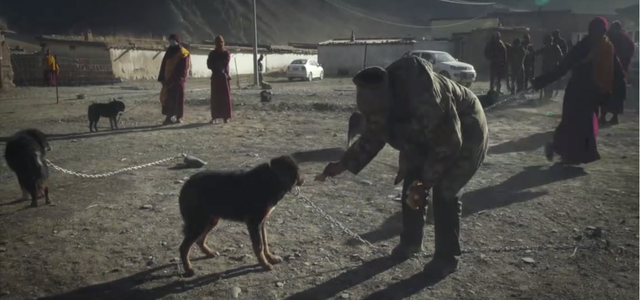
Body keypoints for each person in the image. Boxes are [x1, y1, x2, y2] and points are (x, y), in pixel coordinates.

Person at [318, 56, 488, 279]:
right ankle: (410, 243)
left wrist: (426, 181)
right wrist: (343, 164)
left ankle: (446, 259)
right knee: (411, 184)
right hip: (424, 136)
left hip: (465, 130)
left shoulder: (425, 97)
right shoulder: (381, 100)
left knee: (445, 190)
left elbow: (448, 144)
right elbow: (373, 136)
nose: (376, 118)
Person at [532, 17, 626, 165]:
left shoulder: (606, 47)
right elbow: (564, 66)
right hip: (576, 91)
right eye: (596, 30)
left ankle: (574, 155)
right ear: (591, 30)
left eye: (601, 31)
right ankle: (558, 148)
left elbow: (617, 72)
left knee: (585, 126)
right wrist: (541, 81)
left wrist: (617, 92)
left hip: (593, 93)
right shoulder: (583, 46)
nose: (598, 34)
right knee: (570, 124)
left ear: (604, 31)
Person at [602, 20, 635, 125]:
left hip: (609, 69)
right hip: (622, 71)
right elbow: (631, 52)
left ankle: (603, 115)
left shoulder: (610, 36)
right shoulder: (627, 39)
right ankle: (614, 117)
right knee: (618, 94)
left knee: (605, 92)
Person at [158, 34, 190, 125]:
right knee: (168, 99)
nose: (172, 42)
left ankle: (179, 117)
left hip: (178, 81)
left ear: (177, 41)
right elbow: (164, 65)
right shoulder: (169, 51)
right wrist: (162, 78)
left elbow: (184, 68)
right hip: (168, 80)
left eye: (173, 41)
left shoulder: (183, 53)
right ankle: (169, 117)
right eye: (170, 41)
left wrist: (178, 78)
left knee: (178, 99)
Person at [207, 35, 232, 124]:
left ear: (223, 43)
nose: (219, 44)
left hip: (224, 77)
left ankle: (226, 116)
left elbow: (225, 63)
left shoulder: (226, 53)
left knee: (225, 98)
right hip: (215, 77)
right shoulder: (212, 54)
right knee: (215, 98)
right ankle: (215, 116)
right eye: (218, 42)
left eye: (221, 42)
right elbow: (209, 64)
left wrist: (218, 66)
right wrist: (216, 66)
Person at [534, 35, 563, 102]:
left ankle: (548, 96)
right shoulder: (548, 48)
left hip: (551, 68)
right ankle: (547, 96)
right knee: (547, 83)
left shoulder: (555, 47)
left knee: (549, 83)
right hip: (547, 68)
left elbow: (560, 57)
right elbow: (537, 52)